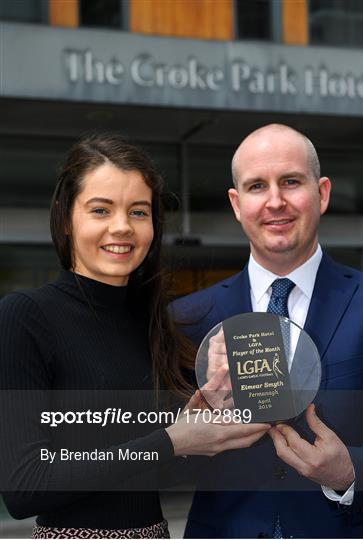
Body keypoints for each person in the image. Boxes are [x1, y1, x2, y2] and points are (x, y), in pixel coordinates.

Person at [0, 134, 269, 539]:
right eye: (100, 210)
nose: (122, 227)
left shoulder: (152, 322)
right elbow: (24, 486)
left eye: (138, 212)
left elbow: (156, 467)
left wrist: (211, 427)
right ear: (64, 217)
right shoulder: (25, 316)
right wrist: (171, 440)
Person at [172, 124, 363, 538]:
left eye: (290, 181)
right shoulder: (188, 317)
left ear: (322, 193)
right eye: (256, 186)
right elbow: (158, 456)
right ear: (237, 203)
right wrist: (189, 431)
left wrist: (350, 471)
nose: (275, 201)